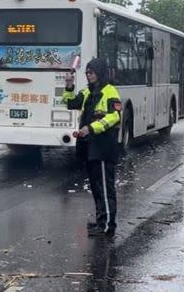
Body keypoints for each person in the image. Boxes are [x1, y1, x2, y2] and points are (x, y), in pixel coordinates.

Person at [63, 58, 122, 238]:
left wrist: (92, 127)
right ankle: (100, 220)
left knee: (105, 187)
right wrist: (69, 85)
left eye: (92, 72)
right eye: (87, 73)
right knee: (96, 187)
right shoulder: (88, 92)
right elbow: (70, 102)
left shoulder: (109, 91)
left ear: (100, 72)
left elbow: (115, 117)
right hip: (90, 147)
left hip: (104, 147)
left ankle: (108, 226)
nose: (89, 75)